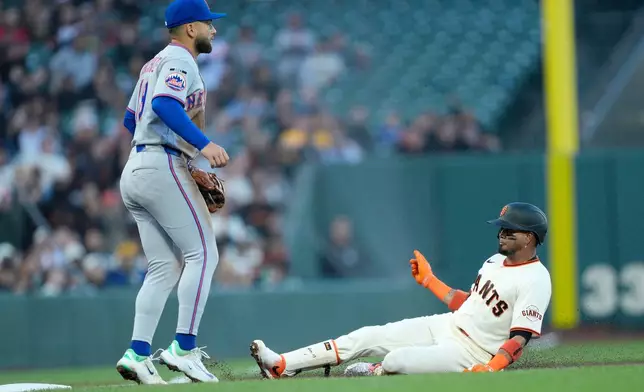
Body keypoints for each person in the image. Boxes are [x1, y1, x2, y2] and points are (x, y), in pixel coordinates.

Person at [250, 202, 552, 377]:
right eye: (501, 227)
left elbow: (520, 338)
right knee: (364, 336)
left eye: (509, 229)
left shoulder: (536, 279)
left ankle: (376, 371)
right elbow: (468, 304)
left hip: (473, 351)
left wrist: (492, 367)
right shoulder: (496, 260)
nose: (501, 233)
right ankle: (283, 365)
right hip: (446, 325)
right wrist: (430, 280)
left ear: (529, 238)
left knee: (398, 360)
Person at [115, 0, 229, 385]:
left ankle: (138, 354)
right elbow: (164, 104)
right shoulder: (180, 60)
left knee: (164, 267)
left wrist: (157, 153)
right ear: (191, 28)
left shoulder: (153, 63)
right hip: (160, 164)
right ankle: (183, 348)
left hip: (137, 166)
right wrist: (200, 145)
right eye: (208, 23)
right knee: (204, 254)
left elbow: (132, 118)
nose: (213, 30)